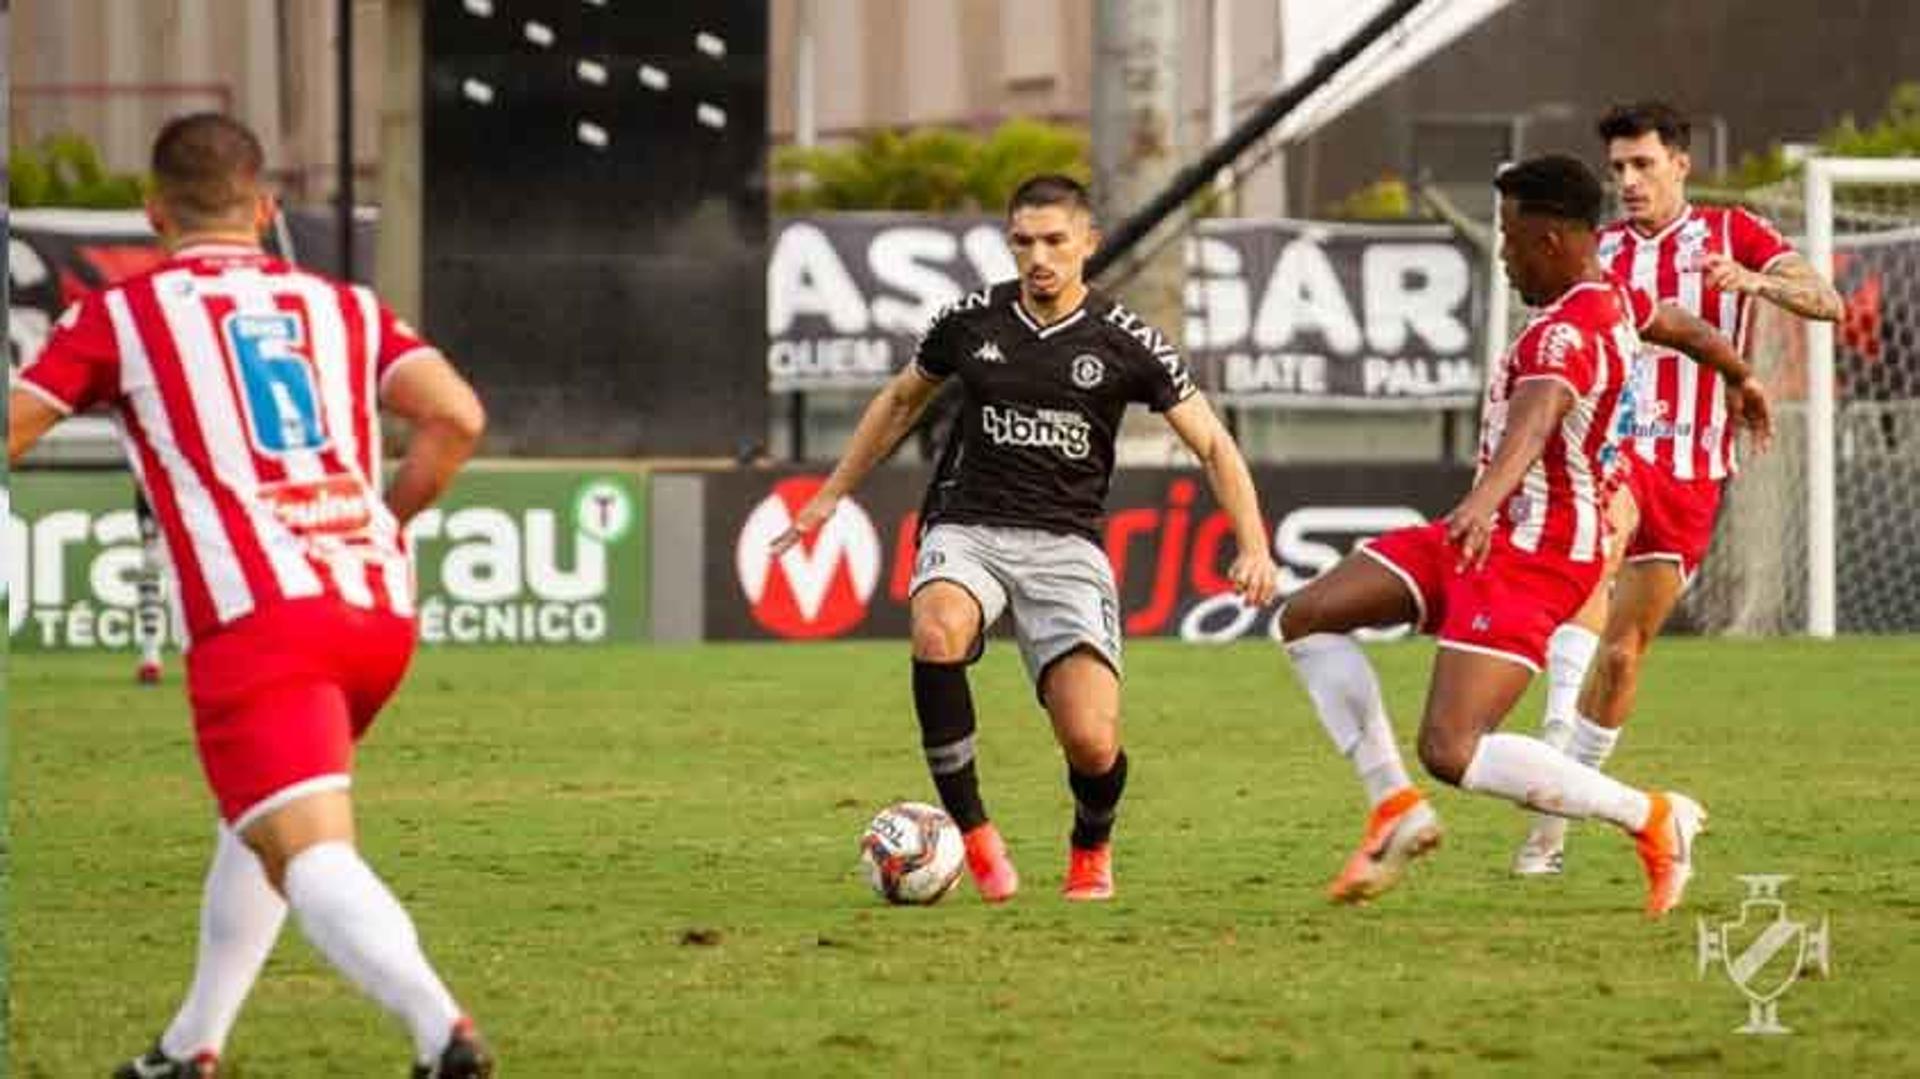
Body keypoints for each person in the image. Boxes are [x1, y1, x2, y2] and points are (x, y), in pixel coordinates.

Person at [8, 113, 494, 1079]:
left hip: (261, 619)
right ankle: (191, 1045)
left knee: (309, 851)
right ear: (266, 209)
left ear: (154, 212)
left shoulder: (124, 314)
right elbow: (456, 415)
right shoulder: (345, 306)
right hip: (375, 610)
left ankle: (444, 1033)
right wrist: (385, 521)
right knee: (263, 817)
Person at [1277, 154, 1766, 917]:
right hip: (1486, 533)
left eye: (1508, 238)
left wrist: (1482, 500)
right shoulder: (1616, 297)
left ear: (1547, 239)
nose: (1502, 254)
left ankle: (1652, 817)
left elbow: (1535, 423)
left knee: (1452, 747)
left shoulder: (1564, 335)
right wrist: (1742, 374)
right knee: (1306, 616)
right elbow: (1680, 323)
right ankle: (1392, 809)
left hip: (1535, 556)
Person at [771, 174, 1280, 902]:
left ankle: (1091, 843)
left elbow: (1215, 447)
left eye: (1054, 241)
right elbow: (898, 400)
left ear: (1088, 245)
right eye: (1023, 242)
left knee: (1092, 741)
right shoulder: (971, 321)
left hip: (1066, 547)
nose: (1037, 256)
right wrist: (829, 497)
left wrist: (1254, 545)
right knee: (937, 625)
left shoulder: (1126, 340)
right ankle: (973, 833)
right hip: (967, 527)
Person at [1512, 102, 1844, 875]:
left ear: (1680, 166)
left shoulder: (1733, 236)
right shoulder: (1600, 250)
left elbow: (1823, 299)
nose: (1627, 181)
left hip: (1698, 472)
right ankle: (1557, 727)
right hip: (1618, 450)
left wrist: (1758, 283)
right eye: (1618, 168)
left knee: (1624, 657)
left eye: (1642, 165)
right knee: (1598, 567)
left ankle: (1560, 812)